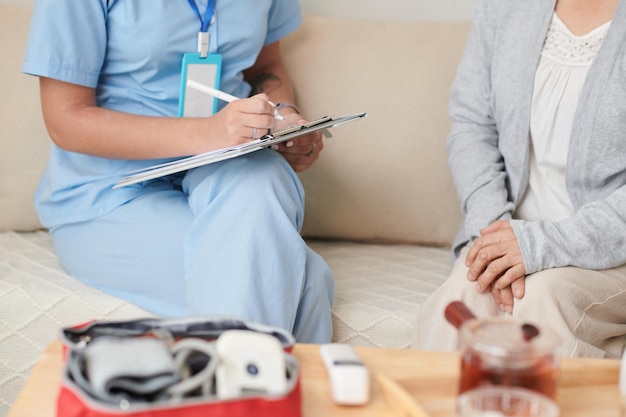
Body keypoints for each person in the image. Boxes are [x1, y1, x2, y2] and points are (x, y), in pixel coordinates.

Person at [22, 0, 334, 343]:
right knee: (308, 281)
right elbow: (65, 121)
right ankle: (250, 388)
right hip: (109, 191)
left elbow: (266, 67)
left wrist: (284, 118)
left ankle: (241, 385)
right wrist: (209, 133)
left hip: (226, 163)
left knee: (265, 176)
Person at [417, 0, 626, 358]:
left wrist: (537, 246)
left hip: (609, 249)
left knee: (543, 299)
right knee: (463, 296)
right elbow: (472, 126)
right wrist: (495, 237)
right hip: (510, 234)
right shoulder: (505, 6)